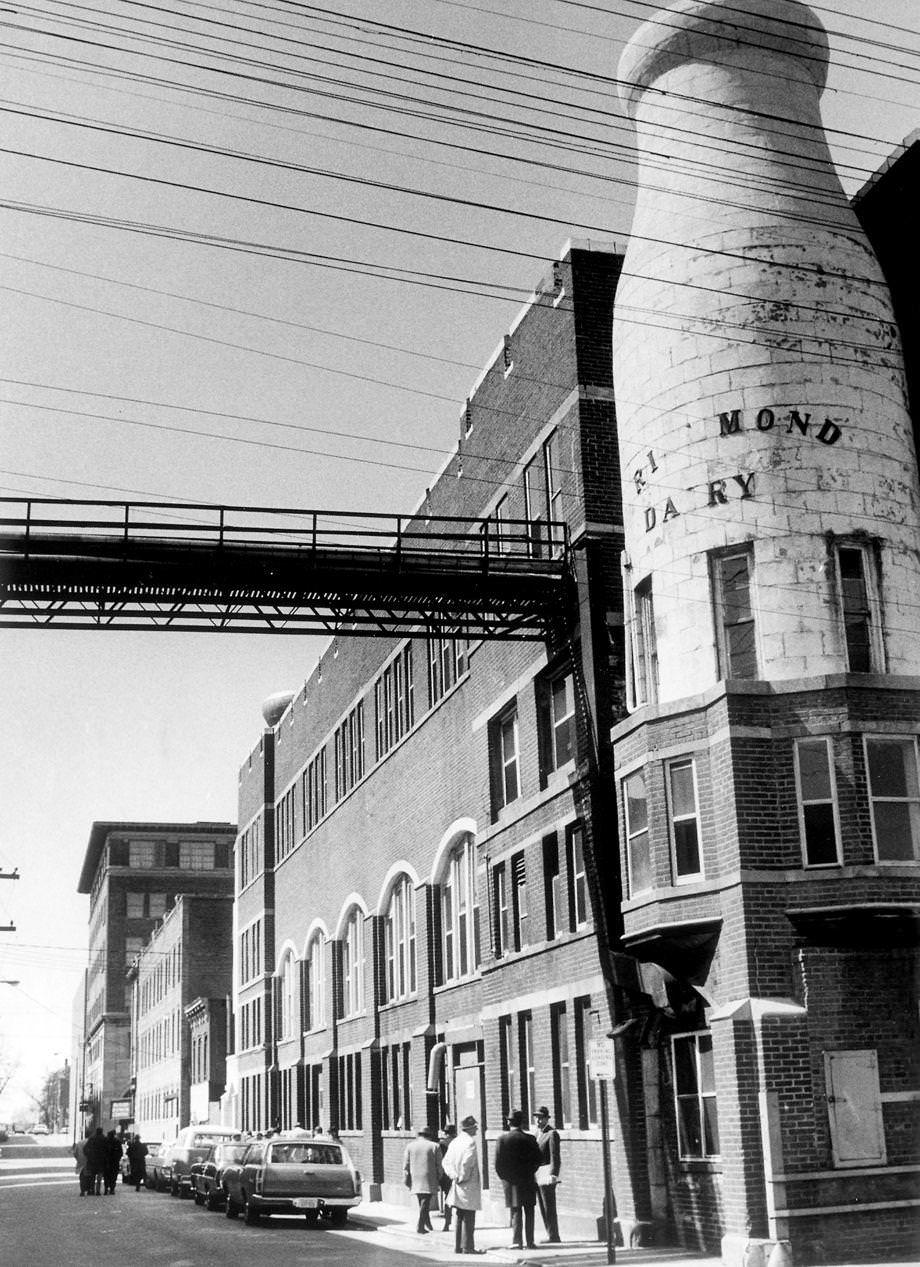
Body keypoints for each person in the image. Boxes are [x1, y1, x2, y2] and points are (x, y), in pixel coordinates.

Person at [494, 1108, 542, 1250]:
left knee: (516, 1212)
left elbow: (498, 1164)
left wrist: (506, 1179)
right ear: (521, 1122)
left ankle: (517, 1241)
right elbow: (539, 1159)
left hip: (511, 1182)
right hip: (527, 1180)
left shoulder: (502, 1140)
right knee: (529, 1211)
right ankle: (530, 1242)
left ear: (508, 1122)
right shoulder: (530, 1139)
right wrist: (530, 1171)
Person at [441, 1114, 483, 1255]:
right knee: (469, 1215)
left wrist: (453, 1175)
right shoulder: (470, 1142)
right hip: (467, 1184)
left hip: (456, 1184)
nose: (476, 1129)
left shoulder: (455, 1142)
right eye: (475, 1127)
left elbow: (445, 1162)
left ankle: (458, 1246)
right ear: (469, 1128)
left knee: (458, 1214)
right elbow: (468, 1162)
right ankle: (468, 1247)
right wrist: (462, 1177)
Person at [403, 1125, 443, 1234]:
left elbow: (406, 1165)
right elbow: (439, 1165)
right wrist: (439, 1176)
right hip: (429, 1177)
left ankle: (427, 1224)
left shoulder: (410, 1146)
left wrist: (406, 1178)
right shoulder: (435, 1146)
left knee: (422, 1201)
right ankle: (420, 1226)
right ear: (429, 1135)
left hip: (415, 1177)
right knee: (426, 1201)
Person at [534, 1106, 562, 1243]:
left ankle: (554, 1235)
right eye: (537, 1118)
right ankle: (549, 1233)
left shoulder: (552, 1134)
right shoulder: (537, 1134)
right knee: (543, 1205)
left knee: (549, 1206)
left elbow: (555, 1156)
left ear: (546, 1118)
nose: (538, 1121)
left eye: (541, 1118)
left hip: (547, 1175)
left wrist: (553, 1174)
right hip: (538, 1174)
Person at [438, 1124, 457, 1230]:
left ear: (445, 1133)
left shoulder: (441, 1144)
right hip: (457, 1172)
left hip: (446, 1174)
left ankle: (447, 1222)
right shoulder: (458, 1142)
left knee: (447, 1197)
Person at [83, 1127, 107, 1195]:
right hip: (101, 1161)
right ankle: (98, 1191)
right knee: (99, 1178)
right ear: (102, 1131)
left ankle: (92, 1190)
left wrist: (88, 1156)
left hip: (92, 1161)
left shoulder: (92, 1139)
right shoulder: (104, 1139)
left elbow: (85, 1149)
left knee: (92, 1177)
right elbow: (107, 1150)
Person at [103, 1129, 122, 1194]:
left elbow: (102, 1152)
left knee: (106, 1176)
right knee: (113, 1177)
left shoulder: (105, 1141)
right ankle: (112, 1189)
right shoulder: (117, 1141)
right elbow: (120, 1152)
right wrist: (117, 1159)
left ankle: (106, 1188)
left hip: (106, 1162)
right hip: (114, 1163)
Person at [72, 1132, 91, 1196]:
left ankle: (82, 1190)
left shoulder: (79, 1143)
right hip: (89, 1162)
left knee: (82, 1177)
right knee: (89, 1176)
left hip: (81, 1162)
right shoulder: (91, 1142)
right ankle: (88, 1190)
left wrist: (78, 1159)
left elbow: (74, 1153)